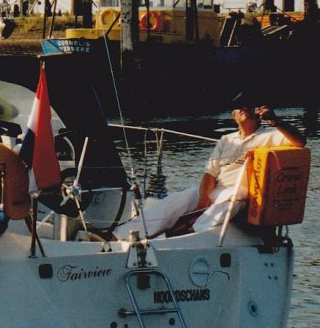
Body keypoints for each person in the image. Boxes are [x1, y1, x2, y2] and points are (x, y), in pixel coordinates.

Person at [114, 92, 305, 238]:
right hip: (216, 188)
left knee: (235, 197)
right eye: (240, 107)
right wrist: (203, 199)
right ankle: (121, 235)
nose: (245, 108)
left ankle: (193, 232)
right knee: (176, 200)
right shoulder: (226, 140)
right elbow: (210, 174)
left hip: (239, 191)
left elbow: (299, 142)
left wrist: (275, 121)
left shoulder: (270, 135)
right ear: (234, 116)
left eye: (249, 105)